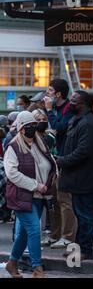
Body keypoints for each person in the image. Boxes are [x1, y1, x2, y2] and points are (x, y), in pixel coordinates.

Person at [4, 111, 57, 278]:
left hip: (40, 196)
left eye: (33, 125)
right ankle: (37, 268)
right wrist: (35, 185)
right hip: (21, 196)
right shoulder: (13, 147)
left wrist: (53, 175)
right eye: (28, 126)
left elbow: (50, 163)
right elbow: (12, 174)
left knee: (24, 234)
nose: (32, 128)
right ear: (20, 128)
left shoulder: (40, 144)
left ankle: (12, 263)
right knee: (34, 230)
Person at [56, 91, 93, 261]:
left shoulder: (88, 123)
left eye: (73, 101)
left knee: (85, 216)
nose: (70, 103)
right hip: (77, 178)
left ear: (82, 104)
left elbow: (84, 151)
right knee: (81, 215)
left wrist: (62, 160)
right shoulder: (78, 121)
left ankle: (85, 250)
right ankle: (78, 247)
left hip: (85, 179)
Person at [44, 79, 77, 250]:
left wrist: (49, 110)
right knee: (55, 199)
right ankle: (55, 234)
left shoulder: (68, 109)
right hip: (57, 159)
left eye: (50, 90)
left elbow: (59, 127)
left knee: (64, 199)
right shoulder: (57, 108)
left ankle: (68, 236)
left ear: (58, 94)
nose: (47, 94)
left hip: (65, 159)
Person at [31, 109, 57, 246]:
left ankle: (50, 233)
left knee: (51, 209)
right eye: (38, 120)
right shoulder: (29, 138)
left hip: (49, 180)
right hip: (34, 182)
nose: (41, 122)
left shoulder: (50, 138)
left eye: (43, 119)